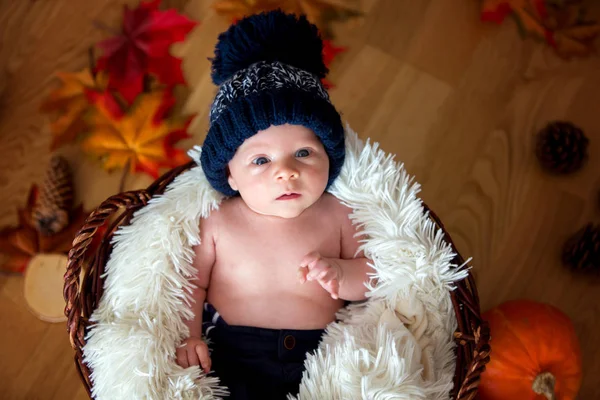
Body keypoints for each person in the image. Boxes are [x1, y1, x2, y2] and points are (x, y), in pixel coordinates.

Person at [175, 9, 373, 399]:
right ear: (230, 175)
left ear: (329, 157)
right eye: (261, 161)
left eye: (303, 153)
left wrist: (341, 274)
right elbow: (189, 283)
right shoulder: (219, 220)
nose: (285, 172)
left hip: (319, 357)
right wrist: (189, 336)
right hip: (230, 352)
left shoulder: (337, 214)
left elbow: (375, 276)